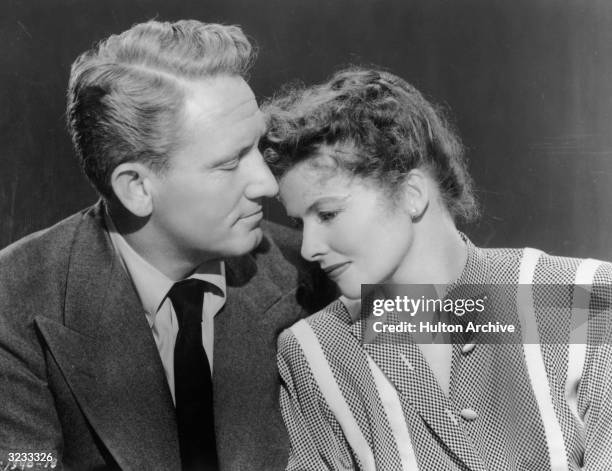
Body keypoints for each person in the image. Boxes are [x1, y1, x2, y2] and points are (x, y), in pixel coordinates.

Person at [0, 20, 334, 471]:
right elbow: (22, 463)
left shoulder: (317, 265)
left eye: (257, 147)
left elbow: (456, 315)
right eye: (229, 162)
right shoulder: (12, 298)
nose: (267, 183)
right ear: (136, 186)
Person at [262, 67, 612, 470]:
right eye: (299, 223)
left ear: (412, 194)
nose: (308, 248)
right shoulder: (314, 352)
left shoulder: (585, 298)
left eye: (327, 213)